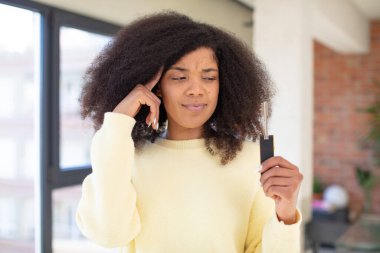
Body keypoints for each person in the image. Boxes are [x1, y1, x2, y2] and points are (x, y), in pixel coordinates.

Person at [76, 11, 303, 253]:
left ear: (223, 85)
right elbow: (110, 235)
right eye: (179, 77)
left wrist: (286, 214)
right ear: (157, 87)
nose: (196, 90)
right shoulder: (127, 158)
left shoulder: (252, 160)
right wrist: (119, 120)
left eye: (209, 77)